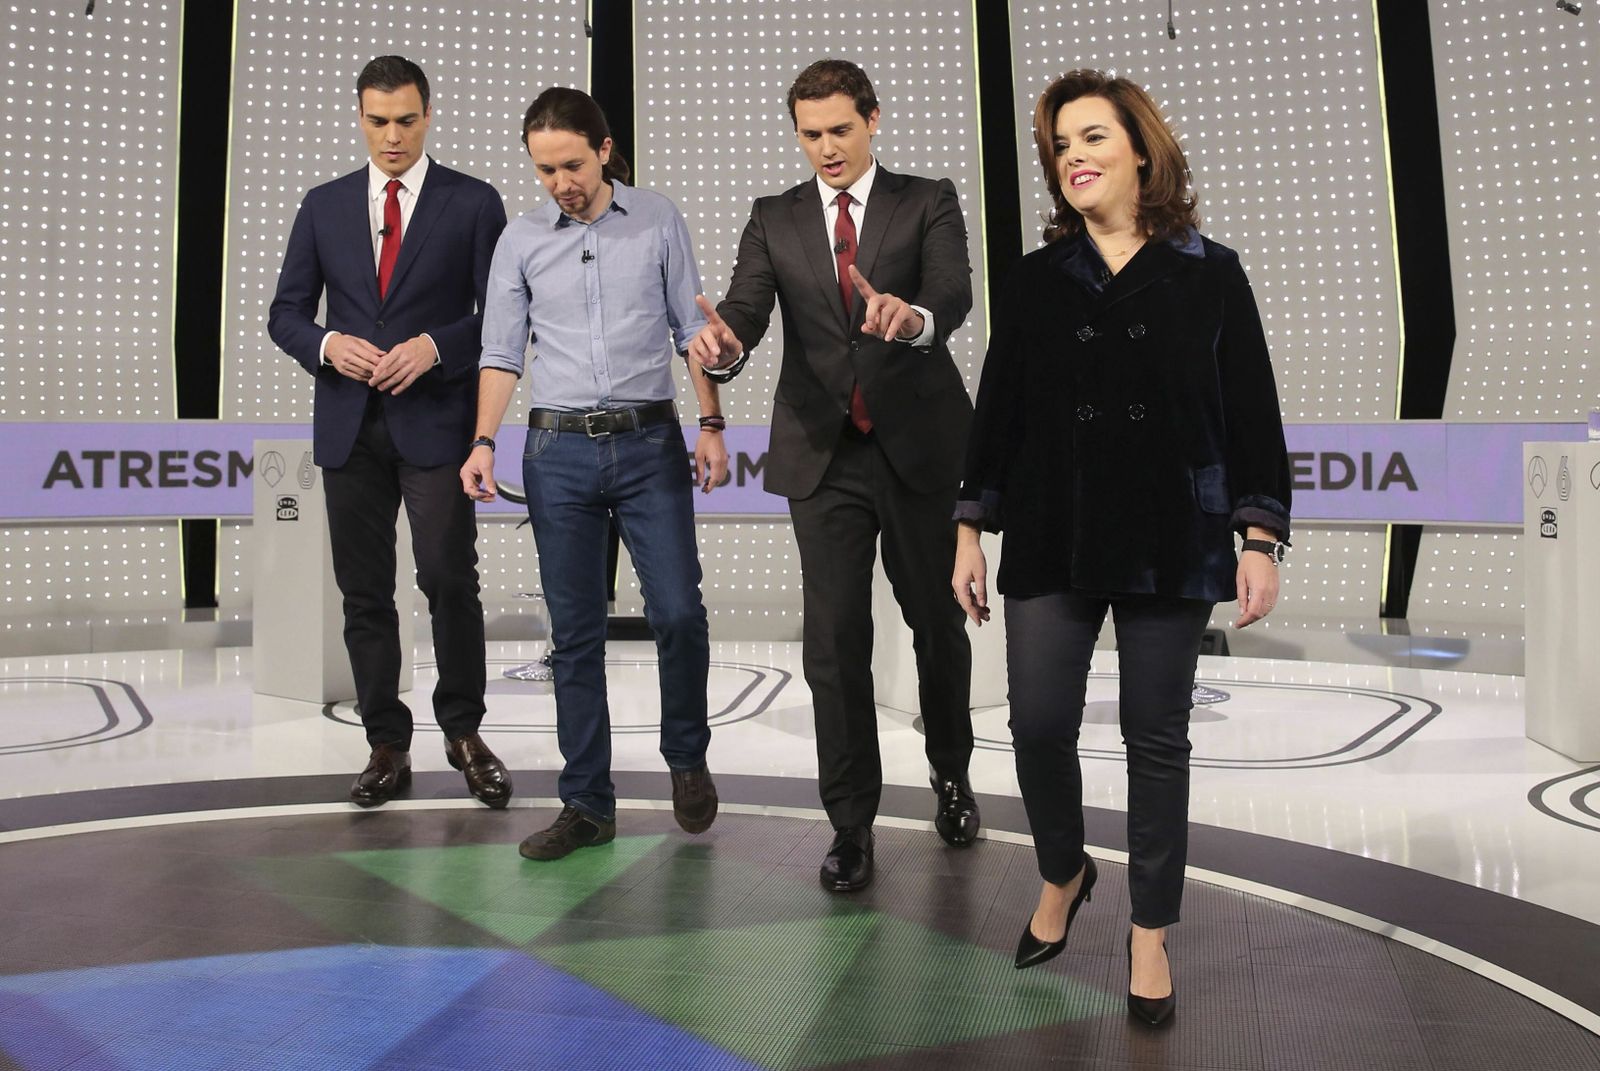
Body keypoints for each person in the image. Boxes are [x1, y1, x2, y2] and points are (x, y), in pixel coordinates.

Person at [951, 70, 1291, 1026]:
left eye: (1093, 138)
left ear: (1141, 149)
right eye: (1061, 146)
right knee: (1039, 725)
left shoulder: (1209, 272)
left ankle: (1150, 930)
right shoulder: (1032, 280)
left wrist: (1258, 537)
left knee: (1157, 739)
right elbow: (999, 414)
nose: (1075, 158)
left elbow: (1253, 414)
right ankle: (1064, 869)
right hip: (1055, 529)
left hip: (1171, 534)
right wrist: (969, 528)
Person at [689, 59, 979, 894]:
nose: (826, 148)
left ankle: (952, 780)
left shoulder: (927, 199)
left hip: (918, 448)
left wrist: (912, 317)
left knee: (936, 626)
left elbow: (952, 292)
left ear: (873, 120)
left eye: (839, 131)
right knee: (835, 645)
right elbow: (744, 308)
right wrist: (726, 344)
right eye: (810, 134)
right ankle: (850, 824)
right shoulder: (773, 217)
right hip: (824, 455)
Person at [461, 87, 727, 860]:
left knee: (679, 611)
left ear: (604, 150)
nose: (560, 182)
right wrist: (483, 440)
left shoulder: (658, 218)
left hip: (649, 446)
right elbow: (502, 352)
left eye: (571, 164)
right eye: (544, 170)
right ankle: (586, 803)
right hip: (559, 454)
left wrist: (710, 422)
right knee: (574, 637)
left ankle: (686, 756)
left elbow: (693, 330)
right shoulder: (519, 241)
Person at [268, 56, 511, 810]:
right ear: (361, 117)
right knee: (364, 591)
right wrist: (326, 345)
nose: (393, 135)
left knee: (446, 578)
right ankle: (386, 741)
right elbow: (284, 312)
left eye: (406, 119)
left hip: (438, 423)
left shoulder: (473, 202)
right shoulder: (324, 204)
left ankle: (464, 733)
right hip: (349, 428)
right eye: (378, 121)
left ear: (428, 113)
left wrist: (435, 346)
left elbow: (502, 316)